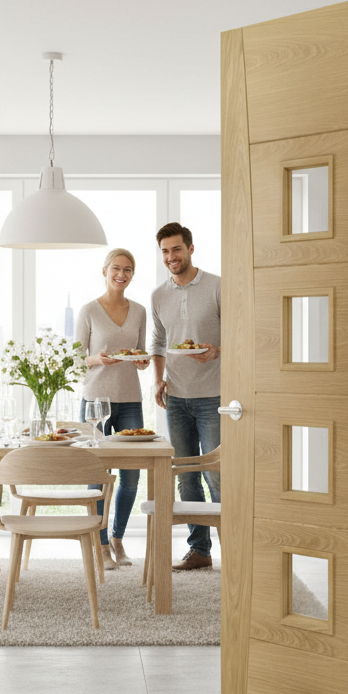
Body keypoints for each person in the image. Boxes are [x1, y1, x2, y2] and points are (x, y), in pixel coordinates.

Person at [149, 222, 221, 570]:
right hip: (176, 397)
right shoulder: (158, 295)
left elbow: (242, 331)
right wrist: (159, 380)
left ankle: (234, 549)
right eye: (165, 251)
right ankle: (200, 551)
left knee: (217, 474)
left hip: (214, 395)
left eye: (176, 249)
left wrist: (217, 349)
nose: (170, 257)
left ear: (191, 249)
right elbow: (159, 343)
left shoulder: (218, 287)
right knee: (185, 475)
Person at [74, 248, 150, 569]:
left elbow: (141, 354)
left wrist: (143, 361)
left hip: (130, 398)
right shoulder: (89, 310)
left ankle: (118, 538)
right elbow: (76, 359)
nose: (122, 274)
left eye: (128, 270)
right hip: (95, 400)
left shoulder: (140, 311)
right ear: (104, 271)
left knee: (131, 476)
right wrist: (97, 359)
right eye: (116, 268)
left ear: (132, 274)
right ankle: (100, 544)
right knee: (98, 476)